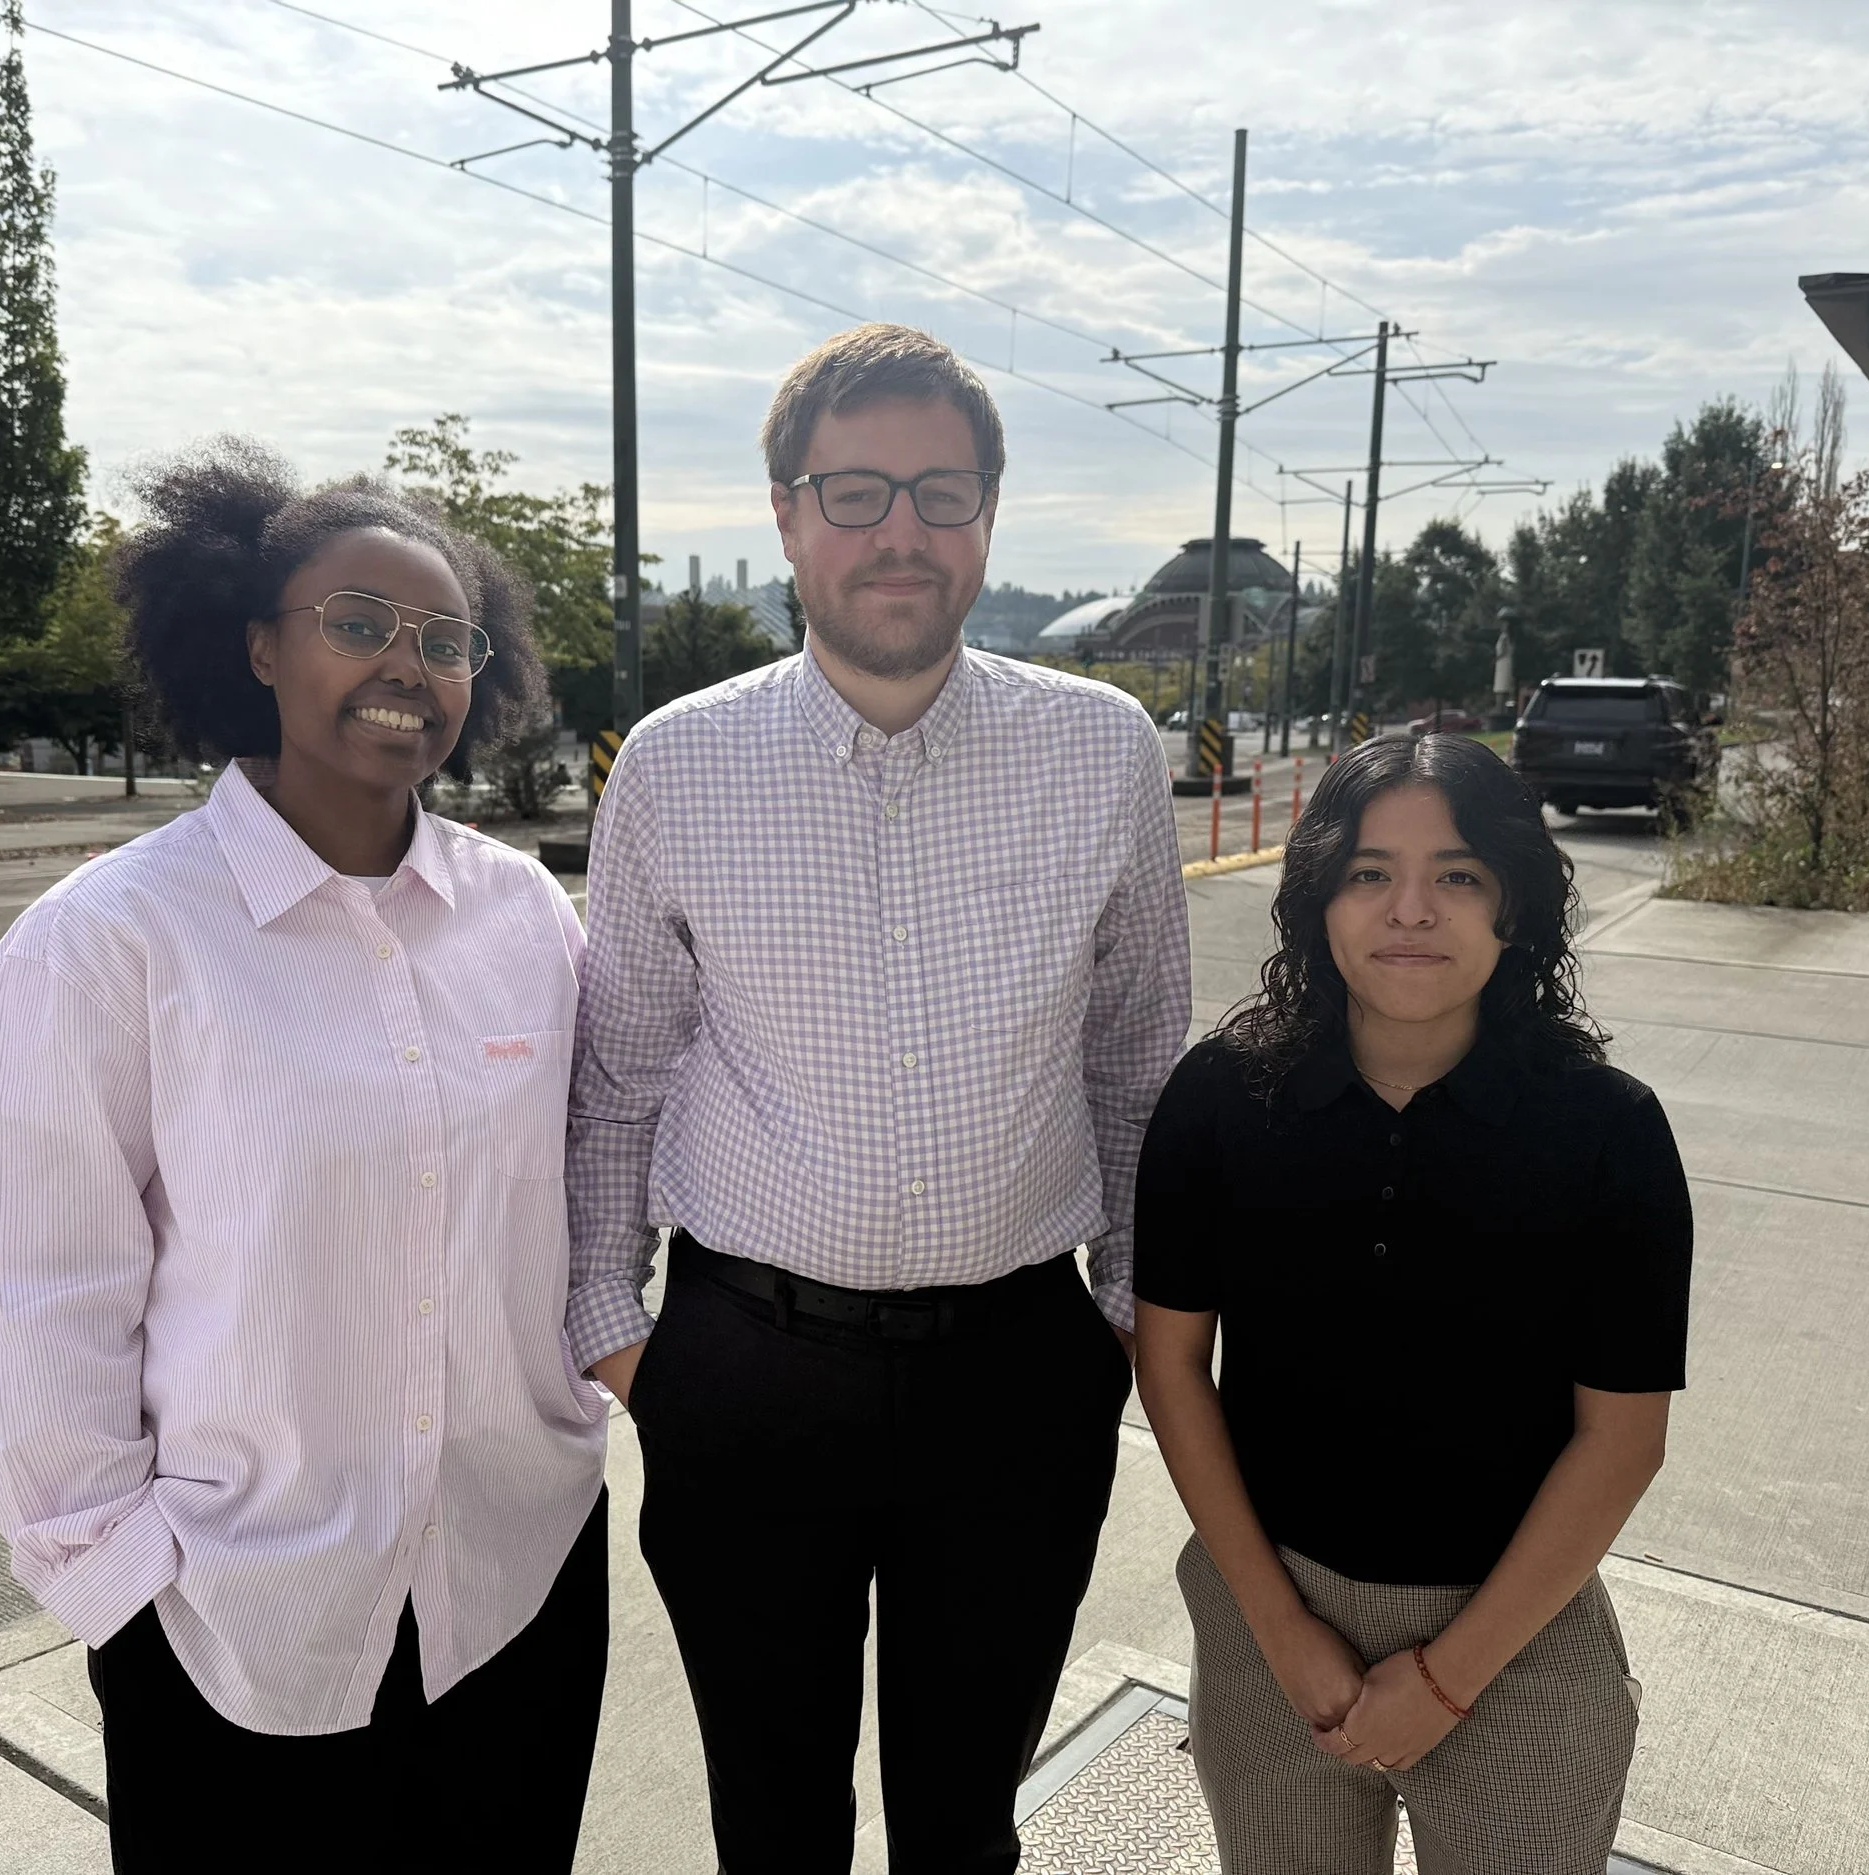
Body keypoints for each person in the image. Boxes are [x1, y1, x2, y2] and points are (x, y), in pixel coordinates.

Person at [567, 323, 1191, 1874]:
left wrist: (1120, 1315)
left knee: (964, 1824)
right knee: (773, 1824)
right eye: (854, 491)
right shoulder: (674, 766)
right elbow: (621, 1069)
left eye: (940, 489)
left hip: (1016, 1377)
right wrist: (612, 1323)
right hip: (740, 1373)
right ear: (786, 513)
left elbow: (1135, 1063)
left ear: (988, 515)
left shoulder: (1103, 753)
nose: (899, 529)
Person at [0, 442, 610, 1871]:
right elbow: (37, 1298)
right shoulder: (111, 936)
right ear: (255, 644)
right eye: (358, 622)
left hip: (516, 1581)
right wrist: (127, 1590)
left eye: (446, 641)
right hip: (240, 1621)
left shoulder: (527, 919)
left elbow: (588, 1186)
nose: (407, 666)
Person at [1134, 732, 1692, 1875]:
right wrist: (1283, 1634)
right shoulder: (1221, 1099)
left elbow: (1621, 1439)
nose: (1411, 911)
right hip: (1271, 1613)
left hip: (1519, 1630)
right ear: (1318, 900)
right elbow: (1173, 1367)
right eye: (1369, 873)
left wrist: (1446, 1679)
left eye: (1459, 875)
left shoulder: (1605, 1131)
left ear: (1515, 905)